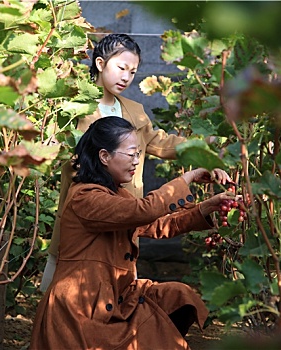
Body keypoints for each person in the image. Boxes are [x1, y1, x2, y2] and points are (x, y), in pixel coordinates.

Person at [40, 33, 231, 291]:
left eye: (132, 72)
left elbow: (161, 143)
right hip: (88, 210)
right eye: (121, 68)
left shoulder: (135, 111)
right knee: (69, 285)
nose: (126, 77)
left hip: (126, 208)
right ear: (99, 64)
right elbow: (52, 149)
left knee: (117, 280)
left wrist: (204, 150)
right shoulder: (74, 107)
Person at [30, 117, 239, 349]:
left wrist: (206, 208)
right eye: (131, 155)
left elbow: (157, 224)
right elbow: (144, 211)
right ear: (104, 156)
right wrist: (187, 178)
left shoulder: (116, 195)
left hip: (115, 299)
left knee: (176, 296)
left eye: (139, 155)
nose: (136, 162)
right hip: (81, 310)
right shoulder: (85, 197)